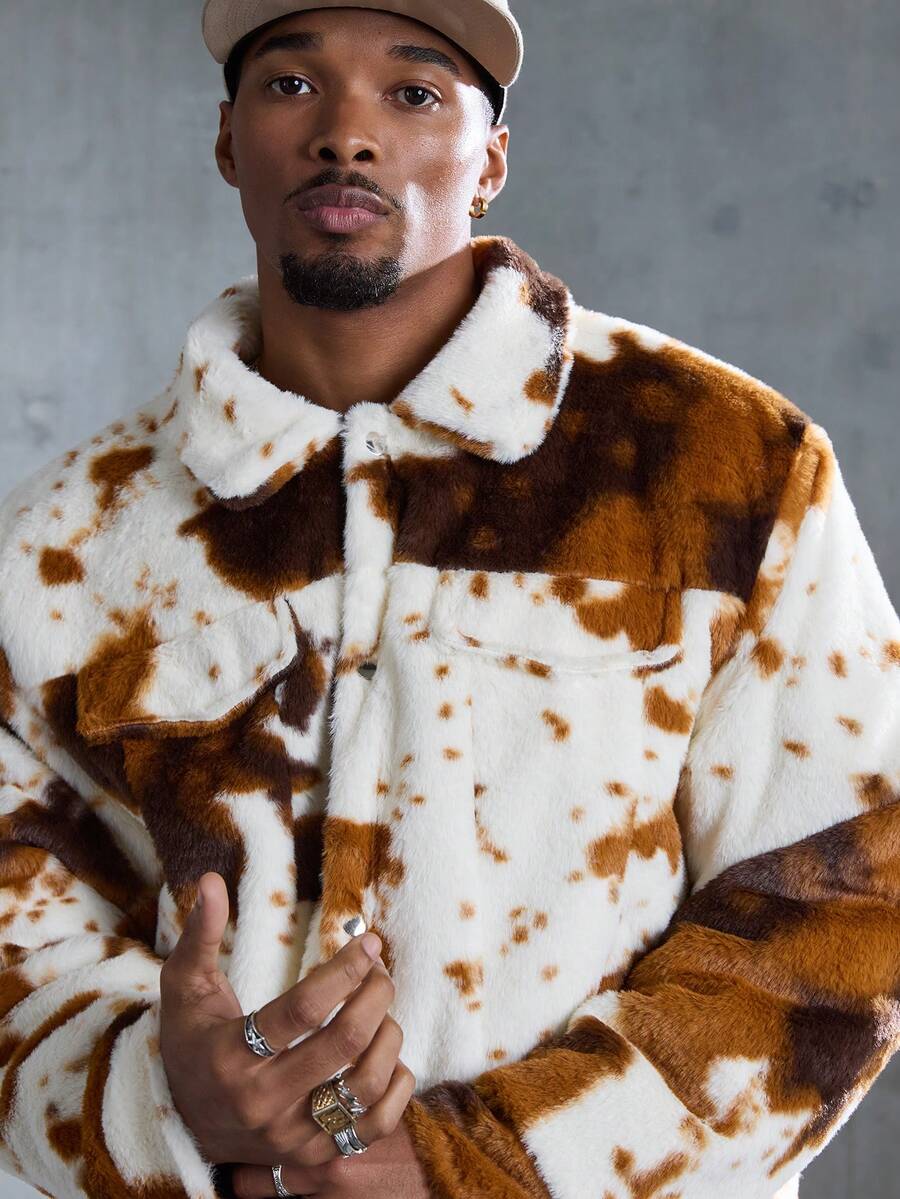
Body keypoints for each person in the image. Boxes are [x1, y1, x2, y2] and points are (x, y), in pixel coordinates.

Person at [0, 2, 896, 1198]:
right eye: (290, 85)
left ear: (492, 159)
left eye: (413, 92)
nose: (346, 132)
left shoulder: (723, 467)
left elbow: (850, 894)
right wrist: (166, 1102)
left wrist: (484, 1165)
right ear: (225, 141)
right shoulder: (68, 539)